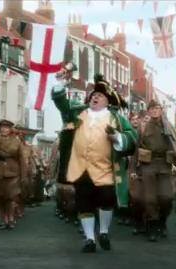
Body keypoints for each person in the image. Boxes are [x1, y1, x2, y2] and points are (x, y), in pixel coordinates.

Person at [52, 74, 137, 253]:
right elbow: (60, 102)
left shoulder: (116, 119)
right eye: (93, 95)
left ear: (107, 102)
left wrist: (117, 138)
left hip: (105, 169)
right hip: (80, 167)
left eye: (100, 96)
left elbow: (132, 137)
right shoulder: (77, 112)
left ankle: (104, 232)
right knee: (84, 203)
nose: (95, 97)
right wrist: (60, 84)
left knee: (107, 199)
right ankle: (90, 239)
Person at [137, 100, 176, 242]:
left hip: (165, 164)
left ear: (161, 110)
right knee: (149, 199)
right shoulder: (143, 127)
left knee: (167, 197)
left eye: (157, 108)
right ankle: (152, 226)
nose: (154, 111)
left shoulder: (168, 126)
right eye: (151, 109)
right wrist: (136, 168)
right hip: (149, 164)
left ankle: (162, 221)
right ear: (148, 111)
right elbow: (137, 147)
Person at [0, 119, 25, 230]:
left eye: (6, 127)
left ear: (10, 129)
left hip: (13, 173)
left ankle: (11, 218)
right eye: (2, 127)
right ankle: (4, 220)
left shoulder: (16, 141)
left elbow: (21, 159)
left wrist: (23, 176)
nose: (4, 129)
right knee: (1, 198)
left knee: (11, 197)